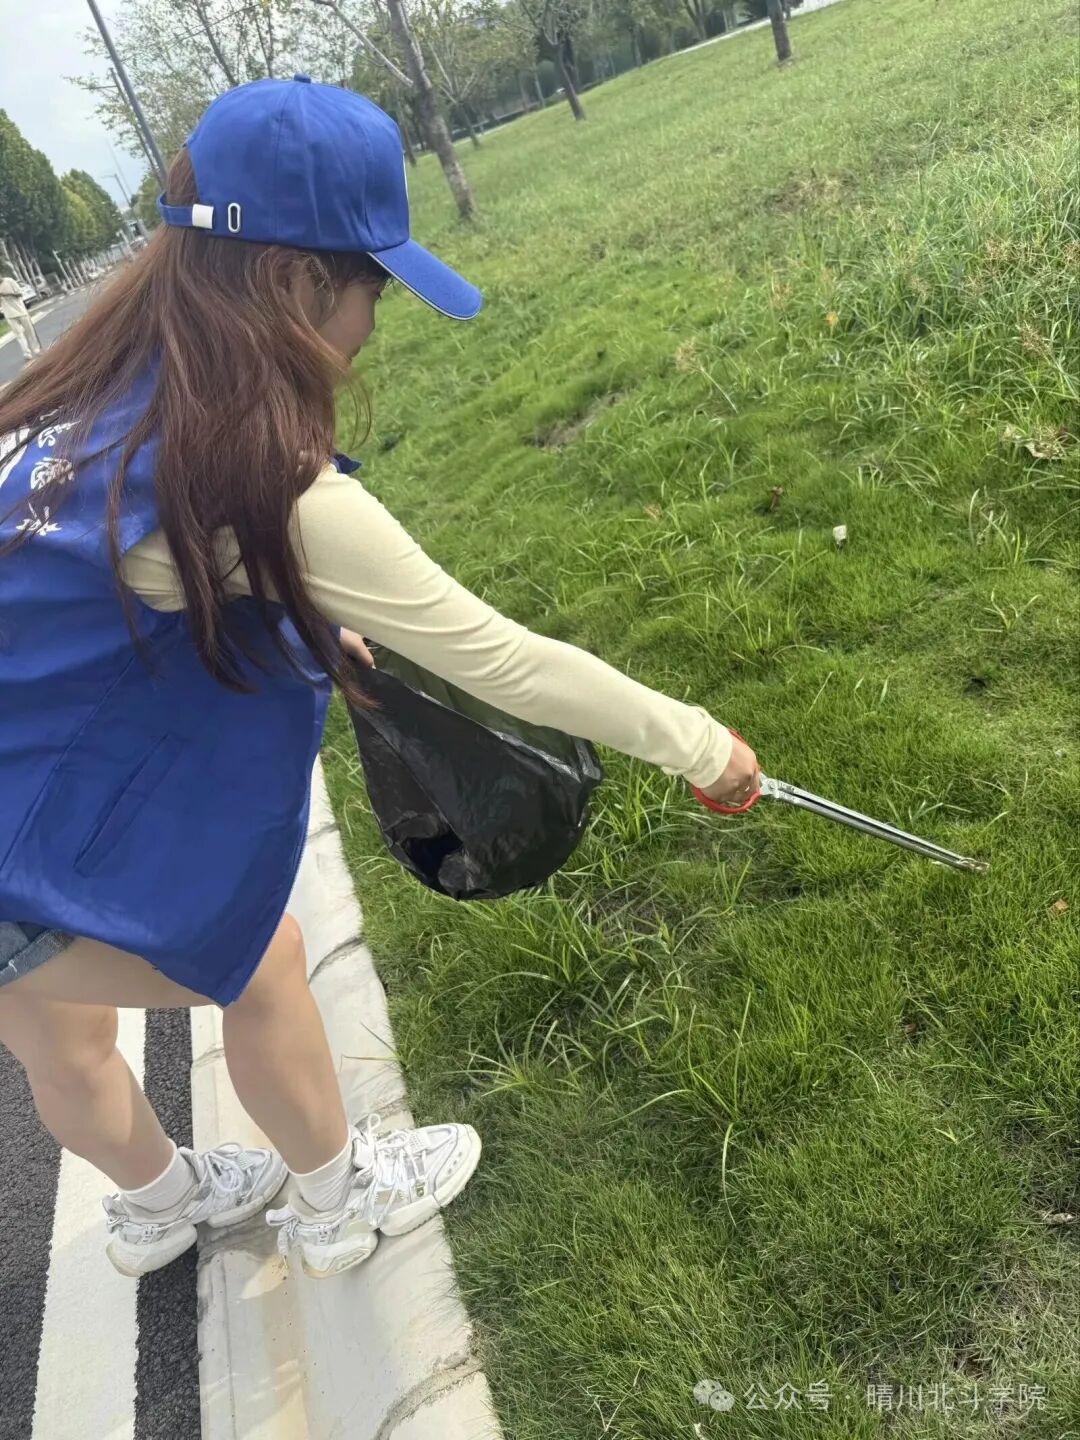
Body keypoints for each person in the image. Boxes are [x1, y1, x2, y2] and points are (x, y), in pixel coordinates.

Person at [0, 76, 759, 1283]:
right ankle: (336, 1205)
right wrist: (704, 748)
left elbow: (99, 601)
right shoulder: (261, 483)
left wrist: (303, 621)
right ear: (294, 280)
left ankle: (156, 1207)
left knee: (57, 1028)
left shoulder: (72, 407)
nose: (371, 326)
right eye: (374, 288)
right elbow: (505, 660)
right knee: (260, 958)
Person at [0, 271, 42, 361]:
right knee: (18, 335)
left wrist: (5, 294)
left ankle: (36, 349)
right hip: (9, 314)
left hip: (21, 311)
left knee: (29, 331)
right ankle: (26, 353)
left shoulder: (9, 281)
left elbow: (19, 294)